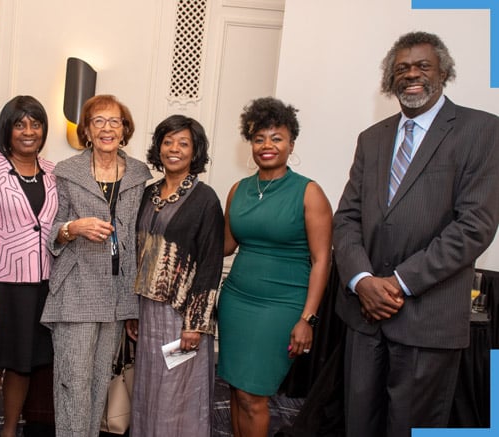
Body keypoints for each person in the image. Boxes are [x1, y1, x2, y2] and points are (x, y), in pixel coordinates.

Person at [333, 31, 499, 437]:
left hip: (428, 318)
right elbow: (347, 219)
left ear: (444, 72)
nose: (412, 74)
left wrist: (398, 284)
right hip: (364, 316)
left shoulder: (482, 130)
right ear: (390, 78)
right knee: (358, 426)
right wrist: (363, 281)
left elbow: (474, 225)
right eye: (402, 67)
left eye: (423, 65)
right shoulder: (371, 139)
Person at [217, 97, 332, 436]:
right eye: (258, 138)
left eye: (276, 137)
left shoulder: (309, 192)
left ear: (291, 143)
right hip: (236, 301)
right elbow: (225, 245)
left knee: (254, 395)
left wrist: (307, 318)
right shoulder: (238, 190)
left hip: (282, 306)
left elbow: (322, 259)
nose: (267, 145)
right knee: (237, 391)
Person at [41, 94, 151, 437]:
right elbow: (53, 231)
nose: (107, 128)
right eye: (98, 121)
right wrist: (74, 228)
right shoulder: (68, 172)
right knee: (73, 381)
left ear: (125, 129)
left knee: (100, 380)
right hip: (76, 289)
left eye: (114, 121)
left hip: (117, 293)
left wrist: (134, 303)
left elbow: (138, 238)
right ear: (86, 131)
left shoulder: (138, 174)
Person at [0, 95, 57, 437]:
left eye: (35, 124)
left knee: (24, 365)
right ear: (7, 129)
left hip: (40, 284)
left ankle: (8, 432)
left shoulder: (53, 172)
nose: (28, 131)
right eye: (20, 124)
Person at [129, 114, 224, 436]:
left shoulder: (205, 199)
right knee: (149, 387)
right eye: (168, 141)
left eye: (183, 143)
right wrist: (132, 312)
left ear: (195, 151)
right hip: (146, 311)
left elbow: (211, 263)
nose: (174, 149)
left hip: (182, 315)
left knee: (178, 392)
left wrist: (195, 324)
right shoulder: (148, 193)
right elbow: (135, 254)